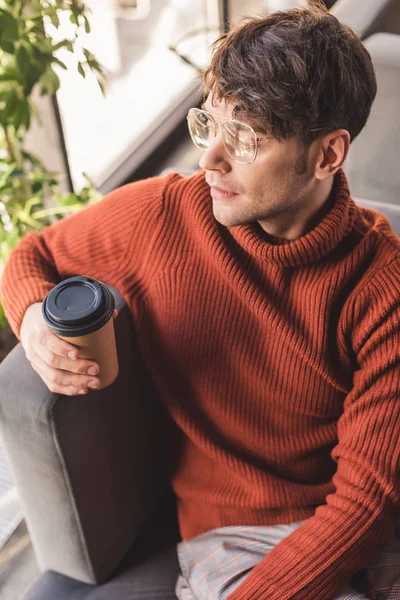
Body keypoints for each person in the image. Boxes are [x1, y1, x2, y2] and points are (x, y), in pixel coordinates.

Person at [1, 3, 400, 599]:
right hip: (235, 537)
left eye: (245, 138)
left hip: (358, 524)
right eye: (208, 124)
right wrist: (34, 316)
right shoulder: (164, 214)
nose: (209, 159)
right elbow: (32, 254)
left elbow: (366, 500)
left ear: (327, 155)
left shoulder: (383, 287)